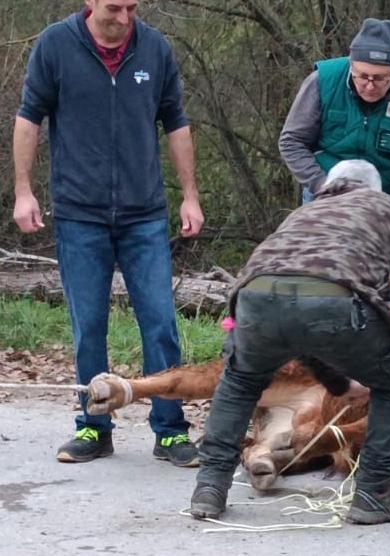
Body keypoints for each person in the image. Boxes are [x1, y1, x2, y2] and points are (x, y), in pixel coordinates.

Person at [187, 160, 390, 525]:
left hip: (254, 298)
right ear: (375, 190)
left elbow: (297, 329)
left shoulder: (303, 213)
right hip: (336, 300)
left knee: (241, 380)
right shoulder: (387, 208)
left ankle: (210, 487)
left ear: (328, 186)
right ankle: (374, 493)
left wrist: (336, 384)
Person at [12, 0, 204, 466]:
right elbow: (29, 118)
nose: (125, 17)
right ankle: (94, 427)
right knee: (89, 327)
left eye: (133, 7)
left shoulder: (155, 48)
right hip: (80, 213)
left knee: (160, 322)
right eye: (115, 7)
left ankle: (171, 431)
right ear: (91, 3)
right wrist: (23, 191)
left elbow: (176, 122)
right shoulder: (56, 45)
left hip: (144, 215)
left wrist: (190, 195)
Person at [278, 18, 390, 320]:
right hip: (325, 201)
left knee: (387, 299)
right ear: (351, 65)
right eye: (362, 76)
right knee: (322, 288)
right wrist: (323, 186)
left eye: (380, 79)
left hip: (387, 208)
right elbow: (291, 142)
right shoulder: (323, 80)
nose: (369, 85)